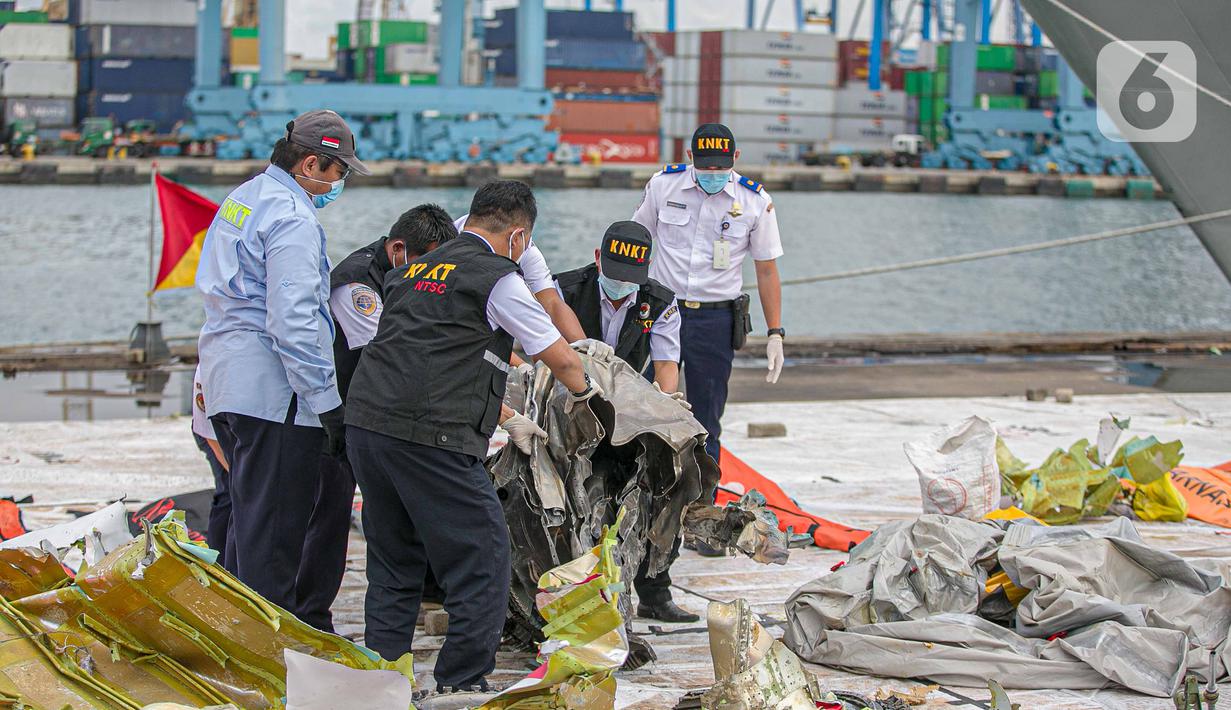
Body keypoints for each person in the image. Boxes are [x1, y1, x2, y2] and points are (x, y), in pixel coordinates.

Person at [345, 180, 602, 694]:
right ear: (518, 236)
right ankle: (461, 681)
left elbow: (423, 349)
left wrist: (505, 414)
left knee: (394, 562)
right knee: (484, 557)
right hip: (432, 436)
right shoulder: (497, 278)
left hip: (367, 426)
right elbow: (561, 356)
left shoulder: (414, 268)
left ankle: (382, 684)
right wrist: (593, 393)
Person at [196, 109, 368, 620]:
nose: (339, 184)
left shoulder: (244, 198)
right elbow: (293, 322)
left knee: (248, 524)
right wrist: (328, 403)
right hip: (275, 399)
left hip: (227, 382)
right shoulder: (293, 219)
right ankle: (271, 666)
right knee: (274, 537)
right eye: (338, 173)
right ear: (312, 162)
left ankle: (239, 636)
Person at [295, 203, 458, 631]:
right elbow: (387, 351)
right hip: (339, 414)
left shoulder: (406, 274)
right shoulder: (356, 283)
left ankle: (427, 589)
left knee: (410, 506)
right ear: (399, 248)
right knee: (327, 519)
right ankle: (310, 616)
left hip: (384, 414)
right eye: (429, 265)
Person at [552, 220, 700, 623]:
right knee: (576, 500)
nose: (621, 286)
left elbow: (666, 364)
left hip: (630, 405)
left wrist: (668, 404)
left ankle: (655, 589)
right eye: (613, 275)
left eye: (630, 279)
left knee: (655, 486)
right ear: (598, 258)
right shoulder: (562, 290)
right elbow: (535, 349)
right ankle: (572, 592)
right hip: (571, 405)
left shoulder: (660, 302)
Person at [632, 123, 786, 465]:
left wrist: (775, 333)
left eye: (721, 166)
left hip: (715, 320)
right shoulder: (663, 185)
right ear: (689, 158)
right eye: (705, 167)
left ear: (736, 158)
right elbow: (636, 240)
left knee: (706, 419)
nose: (713, 173)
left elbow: (766, 269)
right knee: (642, 406)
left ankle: (703, 500)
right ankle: (637, 492)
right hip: (659, 311)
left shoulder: (754, 201)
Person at [190, 364, 230, 563]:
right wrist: (235, 471)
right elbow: (209, 433)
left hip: (234, 421)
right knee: (230, 491)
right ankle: (218, 563)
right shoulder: (211, 362)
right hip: (210, 428)